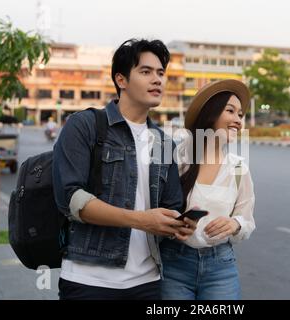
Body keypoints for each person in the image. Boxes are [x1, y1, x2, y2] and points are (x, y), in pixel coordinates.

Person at [52, 39, 197, 300]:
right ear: (121, 80)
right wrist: (141, 220)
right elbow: (71, 200)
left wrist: (177, 225)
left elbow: (171, 204)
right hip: (89, 281)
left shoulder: (164, 142)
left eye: (161, 73)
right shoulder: (85, 125)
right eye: (146, 72)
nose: (158, 80)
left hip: (147, 282)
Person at [160, 79, 256, 300]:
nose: (237, 120)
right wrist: (175, 224)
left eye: (240, 114)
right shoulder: (178, 159)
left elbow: (247, 220)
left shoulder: (239, 168)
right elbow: (154, 208)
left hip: (220, 267)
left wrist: (235, 223)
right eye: (230, 111)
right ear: (210, 113)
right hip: (174, 262)